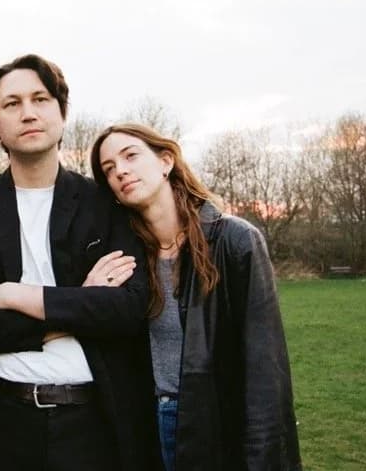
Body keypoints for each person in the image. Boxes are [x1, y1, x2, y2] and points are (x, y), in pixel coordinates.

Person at [0, 54, 161, 471]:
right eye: (12, 104)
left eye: (40, 99)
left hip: (90, 424)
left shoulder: (106, 203)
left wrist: (16, 296)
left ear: (61, 113)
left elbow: (128, 309)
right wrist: (77, 306)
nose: (28, 113)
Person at [90, 123, 303, 471]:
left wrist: (264, 454)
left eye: (130, 156)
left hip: (214, 424)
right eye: (109, 169)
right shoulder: (126, 257)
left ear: (166, 161)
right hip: (145, 426)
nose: (121, 171)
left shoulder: (234, 241)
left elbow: (265, 365)